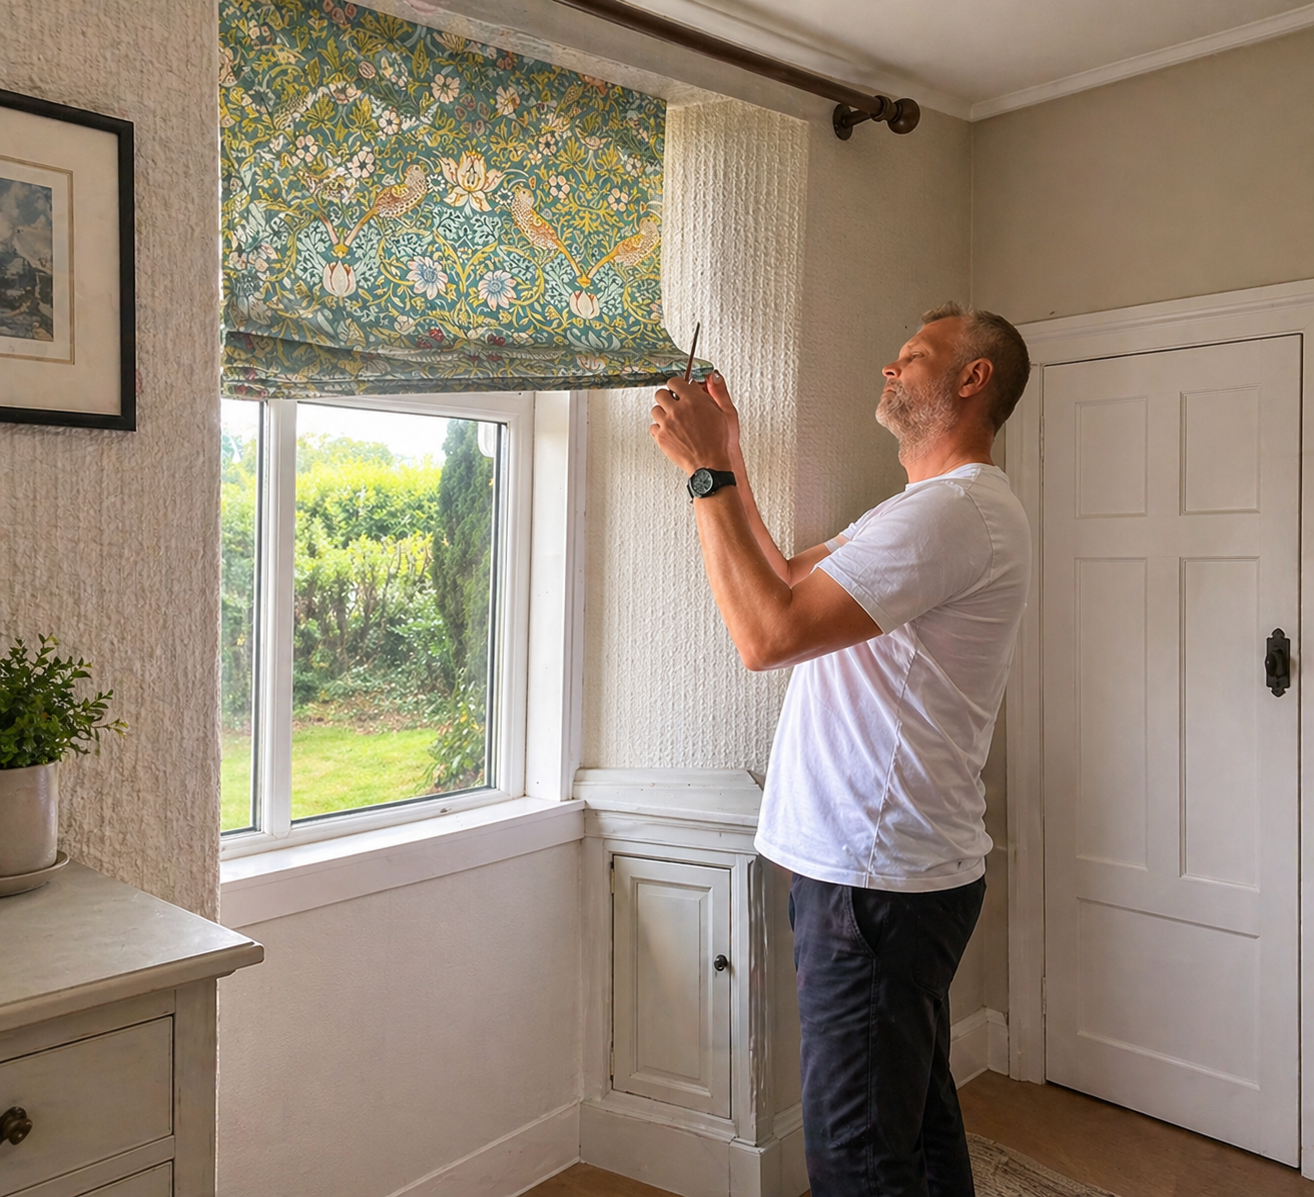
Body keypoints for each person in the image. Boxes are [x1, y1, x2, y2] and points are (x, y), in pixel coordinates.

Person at [648, 302, 1032, 1197]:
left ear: (973, 379)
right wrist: (730, 453)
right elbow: (782, 579)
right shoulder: (923, 511)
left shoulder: (952, 515)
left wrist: (706, 472)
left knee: (859, 1159)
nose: (888, 369)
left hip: (875, 881)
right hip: (890, 875)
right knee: (916, 1124)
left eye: (914, 356)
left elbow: (764, 634)